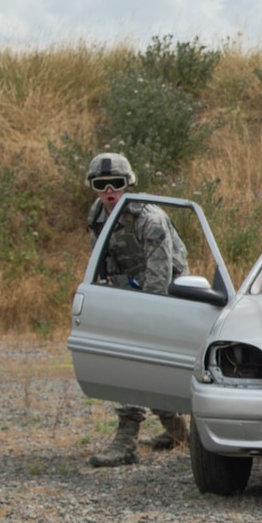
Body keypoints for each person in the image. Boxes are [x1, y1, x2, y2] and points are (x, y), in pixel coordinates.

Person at [83, 153, 192, 467]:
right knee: (143, 366)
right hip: (128, 297)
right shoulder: (97, 216)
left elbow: (161, 278)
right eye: (100, 185)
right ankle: (178, 433)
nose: (108, 191)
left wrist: (144, 317)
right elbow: (100, 263)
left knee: (136, 365)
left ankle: (126, 440)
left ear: (128, 184)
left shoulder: (149, 219)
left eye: (115, 184)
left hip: (164, 298)